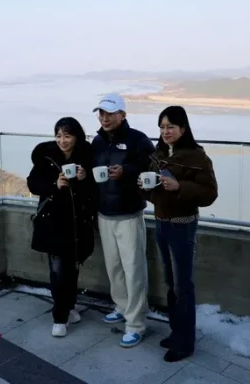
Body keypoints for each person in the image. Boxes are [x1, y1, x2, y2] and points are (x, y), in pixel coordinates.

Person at [139, 105, 218, 363]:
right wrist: (143, 186)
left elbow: (209, 193)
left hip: (183, 225)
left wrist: (179, 186)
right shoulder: (158, 153)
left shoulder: (196, 157)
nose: (165, 132)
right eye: (162, 127)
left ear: (183, 128)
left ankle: (185, 343)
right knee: (171, 283)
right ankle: (176, 333)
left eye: (170, 127)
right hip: (161, 222)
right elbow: (150, 192)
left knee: (184, 285)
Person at [91, 93, 156, 348]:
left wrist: (127, 172)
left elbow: (153, 168)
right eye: (101, 113)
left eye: (109, 113)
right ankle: (121, 306)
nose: (104, 118)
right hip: (104, 213)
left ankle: (136, 323)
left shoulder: (138, 140)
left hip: (129, 214)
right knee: (114, 267)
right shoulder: (96, 141)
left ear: (123, 115)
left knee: (134, 270)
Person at [27, 117, 96, 337]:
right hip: (54, 222)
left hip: (77, 223)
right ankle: (59, 317)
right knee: (57, 271)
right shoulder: (46, 156)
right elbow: (32, 183)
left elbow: (94, 189)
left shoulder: (86, 157)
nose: (62, 141)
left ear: (77, 136)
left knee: (73, 267)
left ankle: (70, 307)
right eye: (58, 135)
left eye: (67, 136)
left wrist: (85, 177)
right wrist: (53, 185)